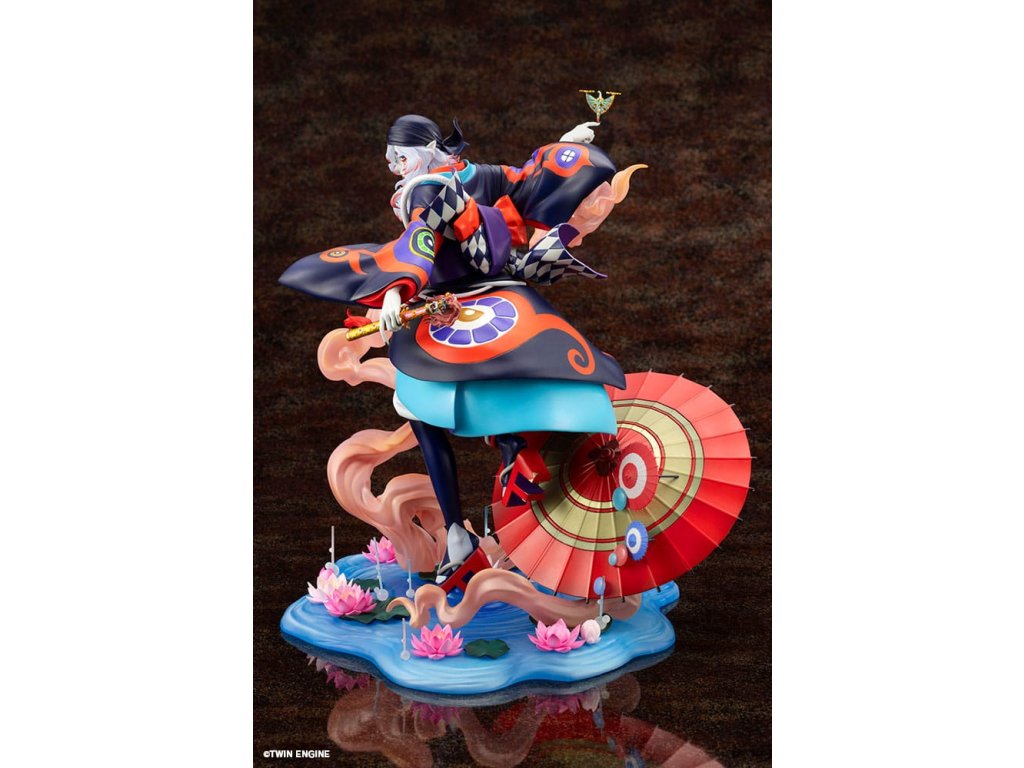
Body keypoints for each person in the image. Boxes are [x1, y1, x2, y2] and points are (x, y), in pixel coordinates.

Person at [281, 115, 633, 579]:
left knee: (420, 408)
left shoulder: (423, 190)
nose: (394, 167)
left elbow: (419, 240)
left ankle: (461, 526)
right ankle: (505, 464)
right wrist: (563, 152)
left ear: (427, 149)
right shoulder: (470, 174)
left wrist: (395, 290)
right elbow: (523, 178)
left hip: (452, 307)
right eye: (390, 160)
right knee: (495, 378)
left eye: (400, 157)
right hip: (499, 294)